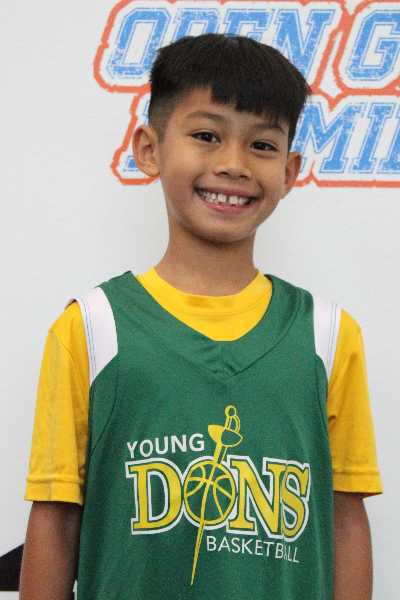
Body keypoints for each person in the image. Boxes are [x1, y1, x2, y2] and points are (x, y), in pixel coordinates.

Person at [20, 34, 382, 600]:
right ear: (150, 149)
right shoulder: (91, 329)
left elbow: (344, 520)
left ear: (290, 171)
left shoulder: (329, 336)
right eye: (207, 136)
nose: (233, 165)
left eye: (262, 145)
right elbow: (56, 518)